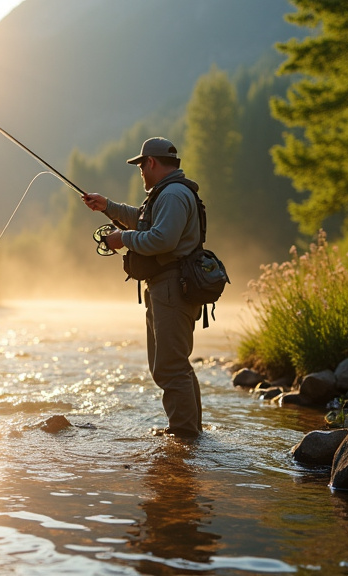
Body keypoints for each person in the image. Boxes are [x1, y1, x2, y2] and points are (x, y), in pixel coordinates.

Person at [82, 137, 204, 438]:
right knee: (175, 365)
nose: (140, 172)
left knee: (170, 366)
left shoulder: (173, 195)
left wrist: (121, 239)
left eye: (140, 165)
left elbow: (162, 239)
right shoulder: (167, 193)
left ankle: (185, 436)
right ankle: (190, 434)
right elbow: (142, 219)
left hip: (171, 289)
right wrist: (108, 207)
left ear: (150, 162)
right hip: (166, 287)